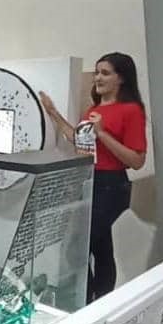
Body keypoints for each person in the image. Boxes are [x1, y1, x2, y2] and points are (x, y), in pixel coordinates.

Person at [39, 52, 147, 303]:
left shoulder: (131, 110)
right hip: (89, 181)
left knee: (78, 246)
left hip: (112, 185)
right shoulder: (94, 110)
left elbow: (137, 160)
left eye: (105, 73)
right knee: (100, 247)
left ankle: (89, 301)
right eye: (97, 72)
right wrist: (53, 112)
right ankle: (98, 302)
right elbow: (78, 140)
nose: (98, 78)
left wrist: (103, 134)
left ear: (121, 78)